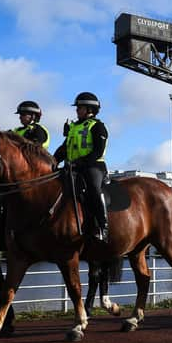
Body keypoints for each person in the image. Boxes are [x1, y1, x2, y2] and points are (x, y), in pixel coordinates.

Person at [53, 92, 109, 242]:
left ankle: (103, 227)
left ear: (90, 109)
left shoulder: (98, 126)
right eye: (77, 108)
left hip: (93, 166)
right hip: (73, 167)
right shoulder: (73, 127)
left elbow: (98, 151)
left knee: (94, 188)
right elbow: (64, 148)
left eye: (80, 107)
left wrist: (79, 162)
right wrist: (53, 160)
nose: (77, 110)